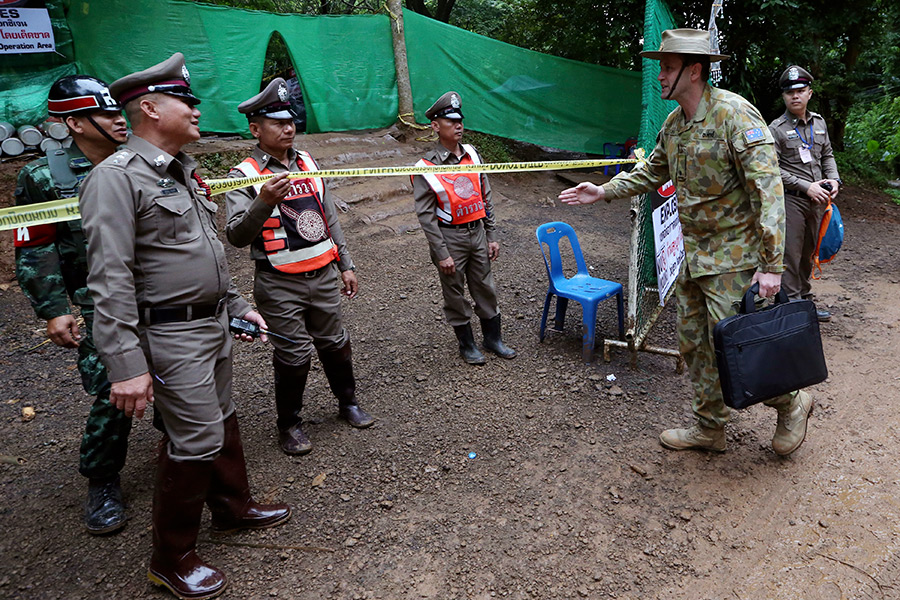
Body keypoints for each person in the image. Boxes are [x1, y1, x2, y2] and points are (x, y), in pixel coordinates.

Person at [78, 53, 290, 600]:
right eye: (186, 101)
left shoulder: (184, 173)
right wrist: (125, 366)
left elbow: (209, 253)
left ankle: (232, 508)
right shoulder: (115, 178)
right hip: (170, 334)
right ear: (149, 108)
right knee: (194, 437)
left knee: (221, 417)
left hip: (212, 323)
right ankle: (170, 559)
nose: (197, 110)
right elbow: (109, 279)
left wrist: (239, 305)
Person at [559, 29, 813, 456]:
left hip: (735, 258)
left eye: (668, 68)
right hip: (694, 258)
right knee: (694, 342)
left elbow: (769, 193)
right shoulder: (674, 125)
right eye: (661, 67)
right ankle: (709, 427)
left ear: (694, 72)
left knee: (743, 344)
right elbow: (651, 172)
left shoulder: (736, 116)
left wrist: (771, 266)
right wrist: (604, 191)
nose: (660, 76)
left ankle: (791, 403)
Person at [224, 78, 374, 457]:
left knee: (335, 343)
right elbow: (236, 237)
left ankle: (348, 404)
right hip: (278, 283)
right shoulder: (243, 176)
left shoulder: (307, 162)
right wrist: (261, 201)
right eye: (277, 122)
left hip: (324, 274)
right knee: (292, 355)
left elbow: (328, 216)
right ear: (256, 129)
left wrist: (346, 263)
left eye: (290, 119)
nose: (289, 127)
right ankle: (289, 424)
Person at [14, 75, 133, 535]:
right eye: (105, 115)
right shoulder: (44, 177)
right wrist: (53, 308)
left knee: (176, 374)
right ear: (75, 123)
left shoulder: (138, 163)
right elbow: (34, 246)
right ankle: (102, 479)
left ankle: (185, 447)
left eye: (117, 111)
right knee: (111, 389)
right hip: (94, 301)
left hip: (152, 294)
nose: (118, 120)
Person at [411, 91, 516, 365]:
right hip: (450, 236)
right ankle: (467, 344)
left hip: (477, 232)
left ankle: (493, 339)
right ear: (436, 126)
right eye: (450, 121)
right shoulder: (425, 167)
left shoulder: (472, 154)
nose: (458, 125)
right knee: (454, 292)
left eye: (460, 120)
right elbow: (425, 216)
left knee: (485, 286)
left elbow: (485, 195)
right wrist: (441, 252)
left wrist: (491, 234)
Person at [768, 65, 841, 322]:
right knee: (791, 254)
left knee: (809, 252)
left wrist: (834, 179)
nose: (795, 96)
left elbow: (827, 155)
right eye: (789, 93)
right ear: (784, 97)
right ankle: (793, 311)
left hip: (818, 200)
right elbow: (772, 170)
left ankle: (805, 301)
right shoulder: (775, 129)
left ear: (809, 93)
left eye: (800, 91)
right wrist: (805, 185)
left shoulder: (819, 123)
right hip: (791, 200)